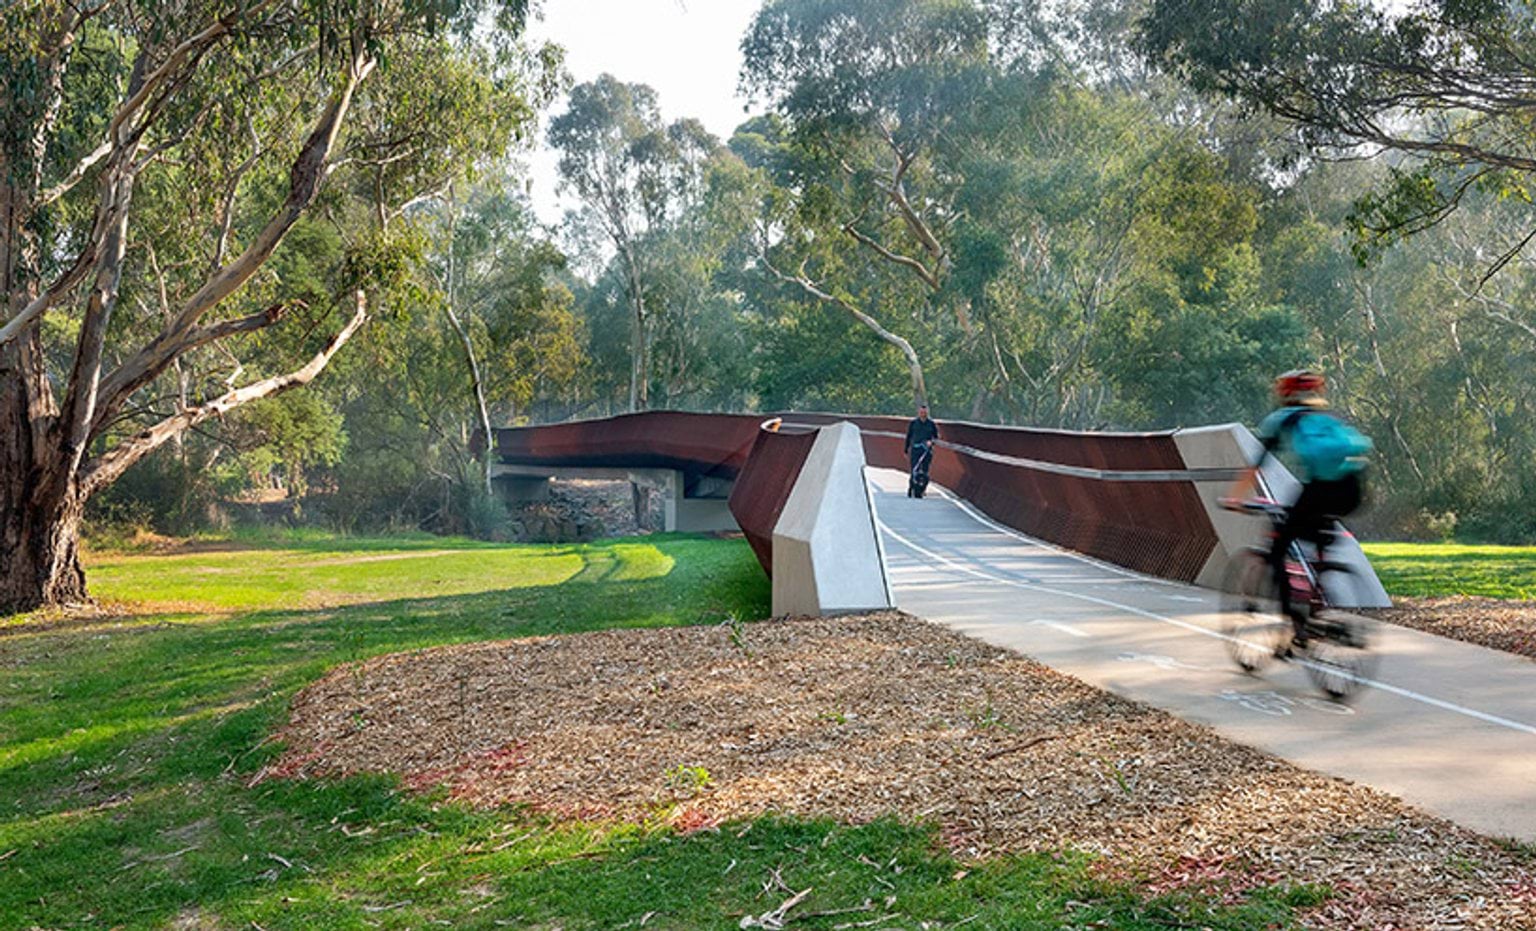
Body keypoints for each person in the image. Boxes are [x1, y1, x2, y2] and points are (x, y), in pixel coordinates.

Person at [1229, 369, 1372, 647]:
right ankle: (1320, 603)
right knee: (1318, 536)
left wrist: (1234, 498)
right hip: (1352, 490)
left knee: (1278, 547)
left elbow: (1256, 466)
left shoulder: (1284, 420)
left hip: (1319, 490)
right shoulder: (1329, 419)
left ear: (1285, 395)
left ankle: (1294, 624)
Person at [904, 403, 940, 498]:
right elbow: (909, 437)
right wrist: (906, 449)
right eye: (921, 412)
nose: (923, 414)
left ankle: (922, 489)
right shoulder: (913, 423)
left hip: (926, 451)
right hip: (915, 450)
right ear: (918, 413)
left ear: (927, 413)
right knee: (914, 470)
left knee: (925, 471)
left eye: (924, 412)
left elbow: (936, 437)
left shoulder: (931, 424)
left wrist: (931, 442)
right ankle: (911, 487)